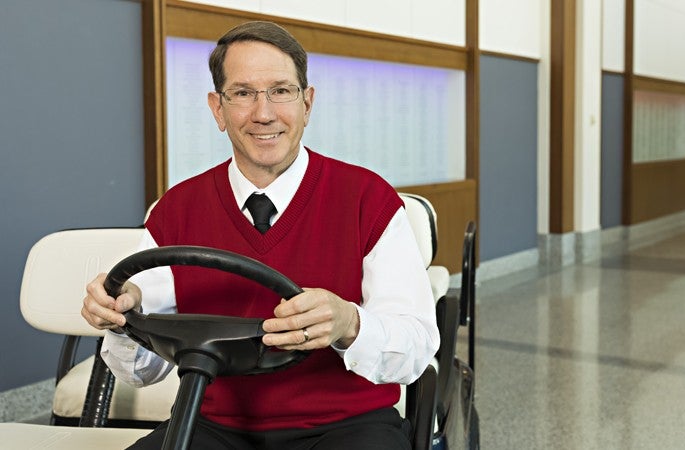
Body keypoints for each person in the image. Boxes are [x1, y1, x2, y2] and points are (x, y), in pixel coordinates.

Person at [80, 20, 439, 450]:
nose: (264, 113)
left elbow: (415, 351)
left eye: (281, 91)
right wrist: (122, 319)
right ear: (218, 109)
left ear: (308, 104)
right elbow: (138, 374)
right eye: (244, 93)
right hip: (209, 424)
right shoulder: (176, 209)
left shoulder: (368, 198)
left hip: (346, 426)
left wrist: (349, 323)